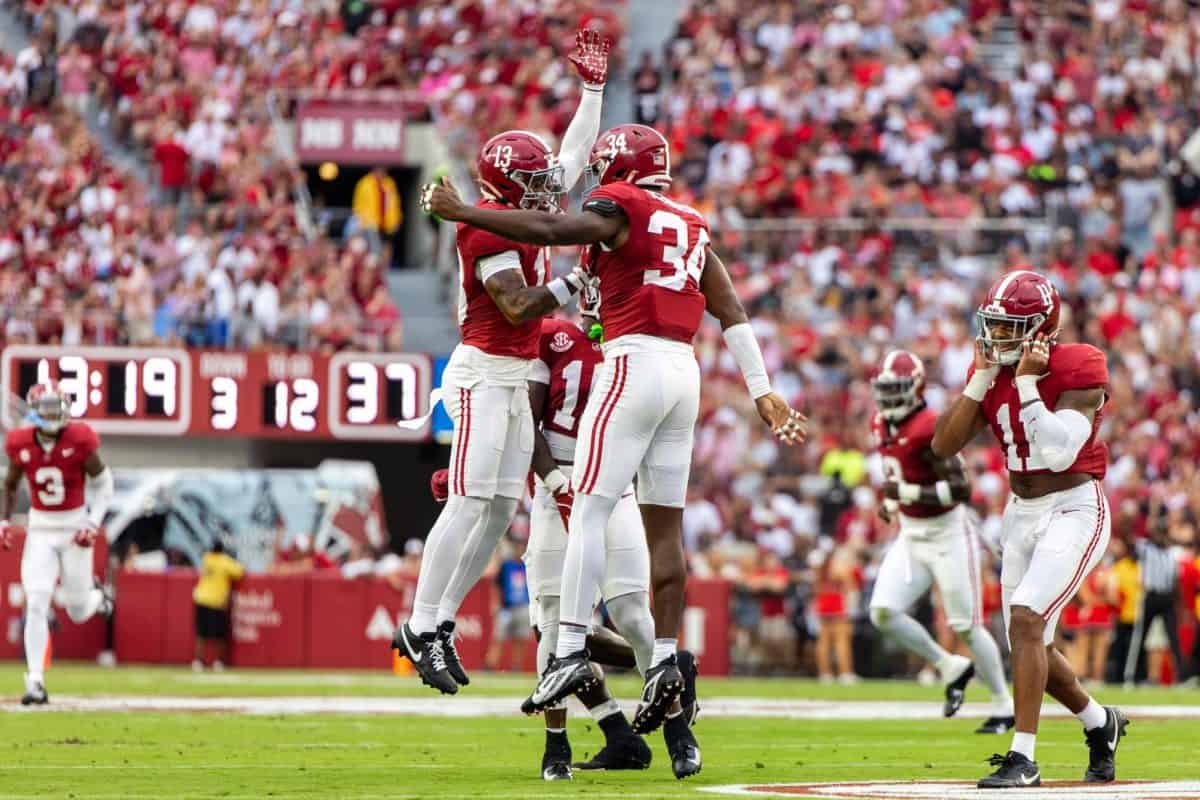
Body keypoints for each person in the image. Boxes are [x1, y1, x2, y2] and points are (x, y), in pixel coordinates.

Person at [423, 122, 806, 770]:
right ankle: (657, 666)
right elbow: (728, 306)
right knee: (663, 534)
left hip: (632, 378)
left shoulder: (619, 214)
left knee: (602, 539)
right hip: (681, 377)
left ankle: (575, 652)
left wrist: (466, 214)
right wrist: (762, 388)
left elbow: (549, 232)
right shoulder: (685, 225)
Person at [392, 28, 614, 695]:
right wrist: (575, 285)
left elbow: (573, 156)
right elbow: (517, 306)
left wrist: (593, 91)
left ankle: (442, 622)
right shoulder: (486, 225)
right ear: (505, 188)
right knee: (466, 502)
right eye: (535, 183)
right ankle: (419, 624)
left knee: (495, 513)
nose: (549, 190)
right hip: (483, 370)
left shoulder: (518, 206)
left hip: (514, 375)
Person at [931, 270, 1128, 788]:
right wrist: (979, 380)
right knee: (1029, 639)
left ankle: (1024, 758)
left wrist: (1024, 384)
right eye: (992, 326)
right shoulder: (993, 374)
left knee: (1024, 622)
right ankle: (1099, 722)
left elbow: (1060, 450)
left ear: (1041, 328)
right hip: (1021, 514)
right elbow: (942, 446)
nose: (995, 338)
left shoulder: (1079, 365)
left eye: (1007, 327)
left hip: (1074, 508)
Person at [525, 284, 681, 779]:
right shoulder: (552, 337)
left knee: (633, 613)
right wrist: (552, 477)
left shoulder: (635, 349)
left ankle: (678, 721)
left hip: (613, 487)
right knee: (552, 620)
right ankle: (557, 747)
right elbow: (523, 420)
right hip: (558, 486)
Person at [867, 350, 1015, 733]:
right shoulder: (879, 423)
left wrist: (904, 494)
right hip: (911, 535)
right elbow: (894, 476)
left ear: (915, 389)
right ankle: (951, 665)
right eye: (885, 389)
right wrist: (889, 500)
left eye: (896, 389)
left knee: (967, 624)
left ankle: (1003, 705)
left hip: (948, 533)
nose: (887, 398)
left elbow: (960, 490)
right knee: (882, 611)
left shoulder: (930, 425)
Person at [1, 382, 115, 705]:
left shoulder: (79, 439)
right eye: (47, 407)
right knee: (36, 600)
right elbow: (9, 486)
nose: (53, 413)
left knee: (78, 610)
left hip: (75, 526)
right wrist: (4, 521)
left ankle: (98, 597)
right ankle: (35, 680)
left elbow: (105, 486)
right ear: (35, 411)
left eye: (57, 406)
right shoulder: (21, 443)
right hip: (40, 528)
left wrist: (93, 523)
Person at [1123, 511, 1184, 685]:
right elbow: (1130, 541)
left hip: (1166, 598)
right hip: (1150, 596)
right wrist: (1130, 523)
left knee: (1173, 638)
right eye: (1158, 532)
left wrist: (1178, 603)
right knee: (1140, 636)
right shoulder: (1146, 548)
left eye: (1163, 532)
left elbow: (1175, 580)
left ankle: (1181, 677)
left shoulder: (1172, 553)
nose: (1160, 536)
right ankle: (1132, 676)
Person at [192, 539, 244, 671]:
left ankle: (198, 661)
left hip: (201, 598)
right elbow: (240, 571)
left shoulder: (207, 558)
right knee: (219, 635)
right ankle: (219, 662)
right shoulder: (224, 561)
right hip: (217, 601)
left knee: (201, 634)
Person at [484, 533, 531, 673]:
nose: (519, 549)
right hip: (506, 608)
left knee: (520, 639)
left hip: (523, 607)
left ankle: (516, 667)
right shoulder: (506, 565)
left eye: (521, 546)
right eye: (516, 546)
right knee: (498, 638)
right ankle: (490, 666)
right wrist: (495, 605)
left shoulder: (528, 565)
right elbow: (497, 585)